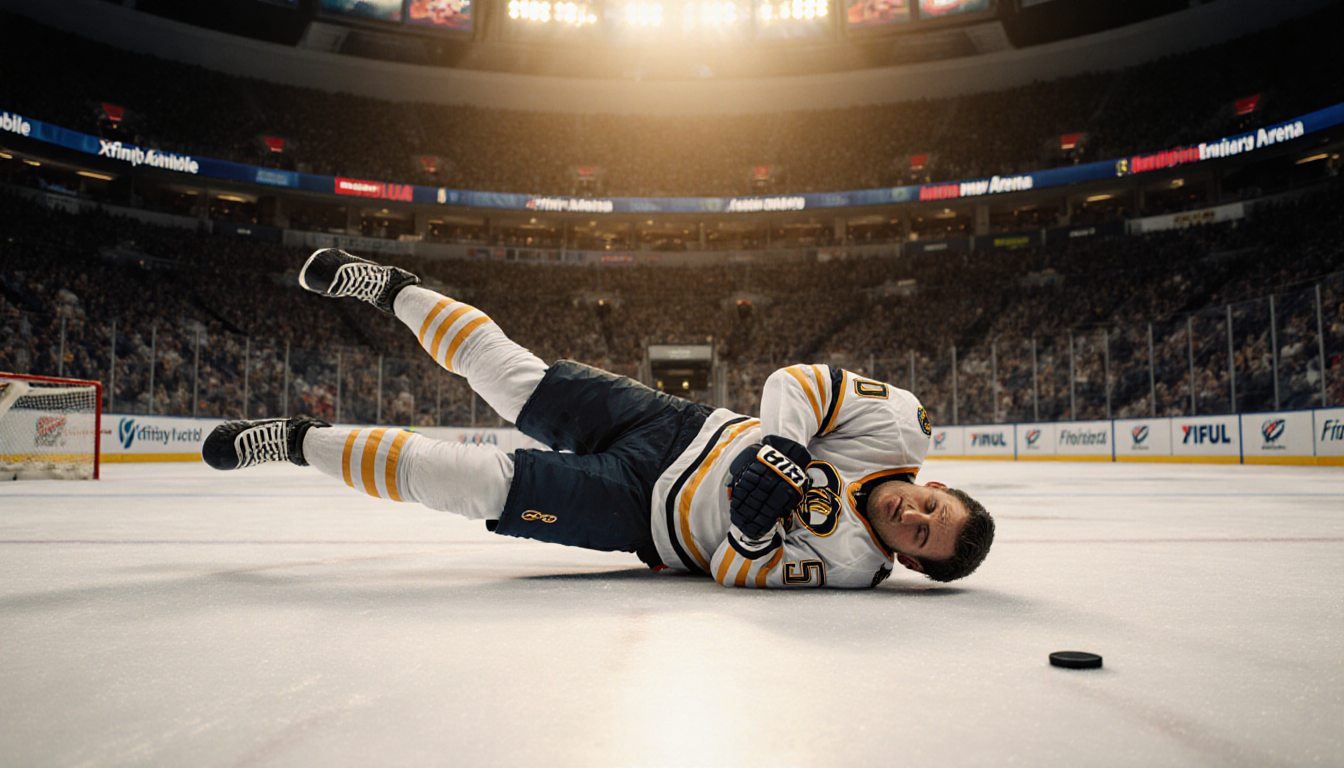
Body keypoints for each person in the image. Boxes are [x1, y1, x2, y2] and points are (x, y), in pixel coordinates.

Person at [203, 249, 995, 589]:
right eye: (933, 504)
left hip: (639, 513)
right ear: (938, 486)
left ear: (914, 566)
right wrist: (781, 452)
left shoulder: (854, 565)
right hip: (678, 424)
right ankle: (393, 288)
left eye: (921, 533)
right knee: (510, 376)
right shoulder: (900, 434)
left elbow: (737, 572)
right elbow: (801, 379)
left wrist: (752, 533)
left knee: (473, 481)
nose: (913, 513)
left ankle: (295, 440)